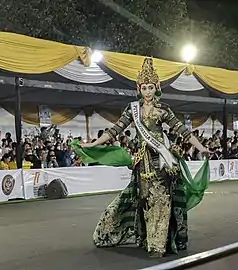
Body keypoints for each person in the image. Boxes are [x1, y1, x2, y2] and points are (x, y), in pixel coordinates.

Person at [79, 58, 210, 257]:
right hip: (143, 161)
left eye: (150, 87)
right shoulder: (132, 110)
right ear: (138, 89)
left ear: (156, 87)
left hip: (163, 160)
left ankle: (158, 244)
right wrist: (91, 144)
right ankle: (145, 237)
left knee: (163, 200)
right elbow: (115, 130)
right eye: (144, 88)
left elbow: (183, 131)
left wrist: (201, 148)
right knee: (144, 200)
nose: (147, 91)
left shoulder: (163, 109)